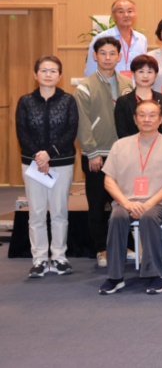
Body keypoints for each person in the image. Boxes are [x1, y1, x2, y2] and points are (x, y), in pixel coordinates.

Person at [99, 100, 162, 295]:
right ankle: (115, 276)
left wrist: (148, 204)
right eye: (142, 115)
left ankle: (154, 274)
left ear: (160, 119)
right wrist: (127, 203)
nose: (147, 119)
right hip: (126, 202)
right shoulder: (120, 145)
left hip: (160, 203)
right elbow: (108, 181)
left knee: (149, 217)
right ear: (135, 119)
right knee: (117, 217)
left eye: (152, 115)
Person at [16, 55, 78, 278]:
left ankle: (59, 256)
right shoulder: (25, 101)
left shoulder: (69, 100)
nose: (48, 74)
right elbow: (22, 132)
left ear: (60, 76)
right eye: (44, 70)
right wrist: (39, 156)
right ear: (35, 74)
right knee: (37, 213)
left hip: (61, 163)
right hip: (32, 165)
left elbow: (71, 131)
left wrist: (49, 154)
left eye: (53, 71)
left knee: (59, 211)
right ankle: (40, 259)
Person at [75, 37, 134, 267]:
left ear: (119, 56)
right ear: (95, 56)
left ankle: (126, 245)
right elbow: (82, 123)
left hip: (123, 155)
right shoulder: (85, 86)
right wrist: (91, 152)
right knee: (98, 206)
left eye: (112, 53)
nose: (108, 58)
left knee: (124, 203)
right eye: (103, 53)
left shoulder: (127, 83)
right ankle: (101, 248)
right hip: (97, 155)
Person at [84, 0, 147, 77]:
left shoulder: (141, 39)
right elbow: (91, 70)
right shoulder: (101, 38)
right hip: (108, 84)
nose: (126, 15)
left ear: (135, 14)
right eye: (121, 12)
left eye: (130, 11)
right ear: (113, 16)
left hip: (134, 84)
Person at [114, 54, 162, 139]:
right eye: (141, 71)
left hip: (160, 145)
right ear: (133, 74)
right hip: (131, 146)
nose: (145, 76)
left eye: (149, 72)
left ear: (156, 75)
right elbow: (122, 132)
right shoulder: (123, 102)